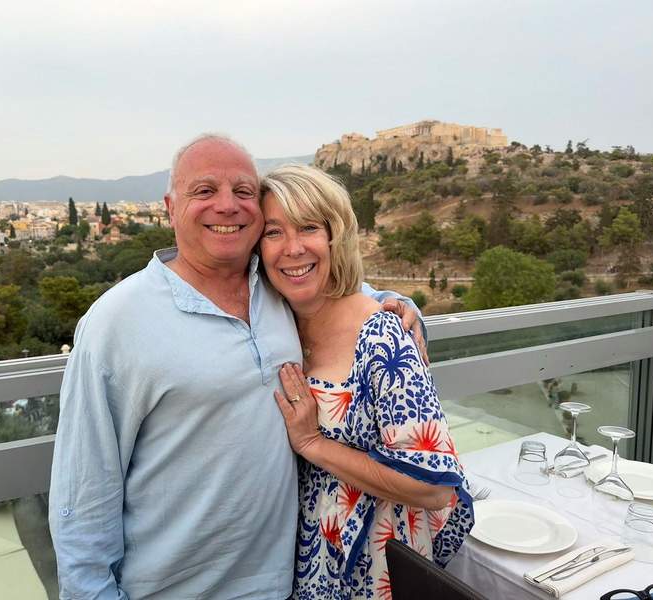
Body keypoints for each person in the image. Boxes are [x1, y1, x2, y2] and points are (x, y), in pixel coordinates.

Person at [48, 134, 427, 599]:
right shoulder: (116, 321)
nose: (227, 206)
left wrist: (402, 305)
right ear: (170, 208)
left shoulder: (276, 286)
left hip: (287, 584)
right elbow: (84, 493)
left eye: (243, 192)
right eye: (204, 191)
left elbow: (348, 295)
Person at [259, 164, 474, 599]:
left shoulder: (381, 335)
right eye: (273, 231)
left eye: (309, 228)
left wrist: (313, 444)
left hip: (371, 570)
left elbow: (432, 488)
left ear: (336, 236)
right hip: (302, 563)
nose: (293, 248)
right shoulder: (274, 321)